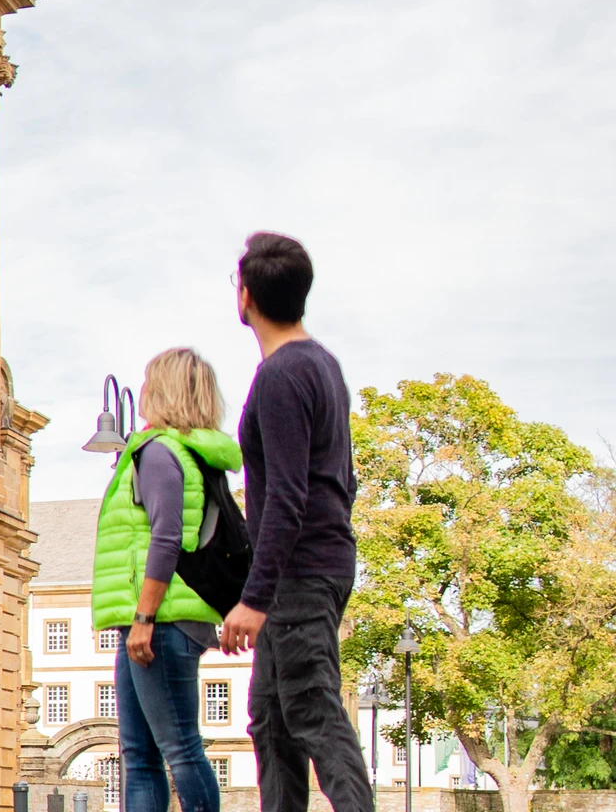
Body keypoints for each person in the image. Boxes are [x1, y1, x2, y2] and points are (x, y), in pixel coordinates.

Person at [220, 233, 373, 812]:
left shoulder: (282, 376)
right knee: (271, 721)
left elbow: (286, 494)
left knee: (312, 712)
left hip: (299, 574)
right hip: (314, 566)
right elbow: (343, 480)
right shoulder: (323, 366)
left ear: (247, 296)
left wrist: (255, 598)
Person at [92, 348, 242, 812]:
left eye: (150, 383)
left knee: (178, 751)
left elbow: (166, 539)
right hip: (155, 621)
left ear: (165, 391)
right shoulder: (188, 453)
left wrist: (143, 617)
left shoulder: (159, 453)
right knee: (139, 756)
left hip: (160, 622)